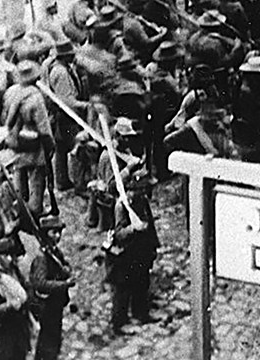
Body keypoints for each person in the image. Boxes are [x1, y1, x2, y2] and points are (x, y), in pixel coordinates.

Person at [105, 168, 160, 335]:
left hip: (140, 250)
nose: (146, 191)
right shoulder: (121, 206)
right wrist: (133, 228)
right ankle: (119, 322)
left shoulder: (142, 201)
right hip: (125, 254)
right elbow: (119, 234)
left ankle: (141, 312)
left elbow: (149, 224)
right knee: (122, 288)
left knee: (142, 282)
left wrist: (153, 245)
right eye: (142, 188)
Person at [1, 60, 55, 218]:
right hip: (33, 143)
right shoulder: (36, 97)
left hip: (15, 141)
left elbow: (5, 117)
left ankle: (20, 207)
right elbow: (43, 127)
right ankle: (35, 210)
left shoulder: (11, 92)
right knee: (37, 179)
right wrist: (49, 146)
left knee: (19, 173)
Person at [47, 40, 91, 191]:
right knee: (77, 147)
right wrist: (86, 105)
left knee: (61, 149)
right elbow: (67, 101)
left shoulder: (58, 68)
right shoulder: (61, 73)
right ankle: (80, 185)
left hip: (61, 116)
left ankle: (62, 180)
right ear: (65, 56)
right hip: (66, 116)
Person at [30, 215, 75, 360]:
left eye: (59, 232)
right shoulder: (41, 257)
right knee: (48, 338)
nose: (58, 235)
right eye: (53, 232)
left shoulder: (53, 250)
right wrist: (64, 284)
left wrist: (66, 268)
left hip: (55, 303)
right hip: (46, 305)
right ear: (45, 234)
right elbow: (40, 284)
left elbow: (62, 262)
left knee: (54, 335)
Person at [148, 41, 184, 180]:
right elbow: (178, 94)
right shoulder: (168, 80)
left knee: (157, 142)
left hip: (155, 112)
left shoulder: (153, 72)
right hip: (166, 113)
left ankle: (159, 169)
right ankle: (164, 170)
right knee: (164, 142)